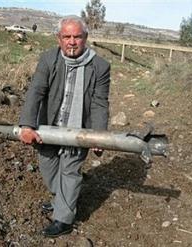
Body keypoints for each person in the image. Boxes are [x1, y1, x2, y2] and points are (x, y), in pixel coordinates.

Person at [19, 16, 110, 237]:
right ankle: (60, 198)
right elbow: (36, 91)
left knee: (70, 171)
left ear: (85, 38)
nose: (72, 41)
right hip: (49, 127)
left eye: (77, 36)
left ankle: (64, 218)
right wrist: (26, 125)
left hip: (79, 131)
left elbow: (99, 102)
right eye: (67, 36)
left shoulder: (100, 66)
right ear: (59, 38)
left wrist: (98, 134)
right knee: (48, 166)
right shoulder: (48, 59)